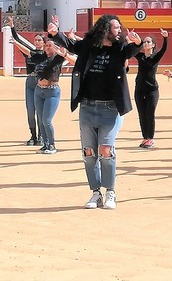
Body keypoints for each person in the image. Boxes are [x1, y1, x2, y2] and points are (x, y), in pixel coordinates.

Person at [67, 14, 142, 210]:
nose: (119, 30)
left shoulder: (120, 50)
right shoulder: (90, 47)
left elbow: (132, 50)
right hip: (88, 107)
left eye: (119, 27)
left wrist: (138, 42)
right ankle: (95, 193)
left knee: (105, 150)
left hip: (110, 108)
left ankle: (110, 192)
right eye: (115, 28)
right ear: (105, 30)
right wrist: (55, 34)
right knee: (89, 152)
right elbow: (72, 46)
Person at [6, 16, 56, 147]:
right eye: (35, 40)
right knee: (30, 110)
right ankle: (33, 136)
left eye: (39, 40)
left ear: (44, 42)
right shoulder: (30, 52)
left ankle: (40, 136)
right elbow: (17, 40)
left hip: (40, 82)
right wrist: (12, 27)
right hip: (30, 81)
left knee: (39, 112)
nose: (37, 42)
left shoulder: (46, 55)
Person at [34, 37, 73, 154]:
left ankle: (51, 145)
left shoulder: (58, 58)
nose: (48, 47)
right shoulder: (40, 57)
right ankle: (45, 144)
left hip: (52, 91)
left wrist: (64, 37)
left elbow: (68, 51)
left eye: (50, 45)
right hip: (38, 90)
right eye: (46, 45)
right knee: (41, 120)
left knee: (47, 120)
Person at [132, 28, 169, 148]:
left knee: (150, 114)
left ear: (153, 44)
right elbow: (132, 49)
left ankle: (150, 138)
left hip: (152, 90)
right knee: (142, 114)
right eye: (145, 42)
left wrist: (165, 38)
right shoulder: (140, 56)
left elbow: (164, 50)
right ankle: (145, 138)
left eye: (148, 42)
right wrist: (130, 39)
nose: (146, 44)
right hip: (139, 89)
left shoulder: (155, 56)